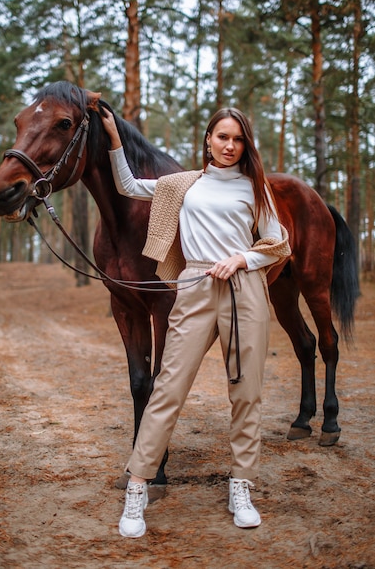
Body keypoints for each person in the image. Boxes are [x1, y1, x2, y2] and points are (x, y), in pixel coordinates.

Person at [100, 106, 291, 538]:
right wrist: (114, 138)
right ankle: (138, 486)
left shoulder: (254, 187)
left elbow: (278, 242)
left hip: (245, 290)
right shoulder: (184, 185)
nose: (229, 146)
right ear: (208, 139)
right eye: (222, 137)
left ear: (245, 146)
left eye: (237, 139)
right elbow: (127, 184)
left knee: (247, 391)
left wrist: (243, 257)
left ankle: (241, 485)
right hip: (196, 285)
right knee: (168, 388)